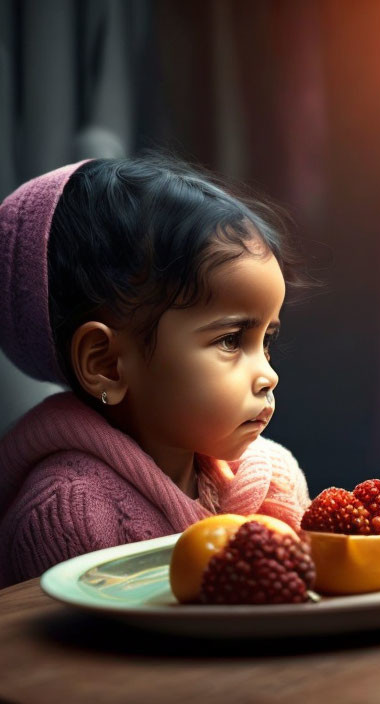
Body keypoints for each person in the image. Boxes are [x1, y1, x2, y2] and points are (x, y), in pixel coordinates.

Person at [0, 155, 312, 587]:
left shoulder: (275, 480)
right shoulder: (68, 516)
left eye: (267, 341)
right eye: (231, 339)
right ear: (106, 363)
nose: (268, 375)